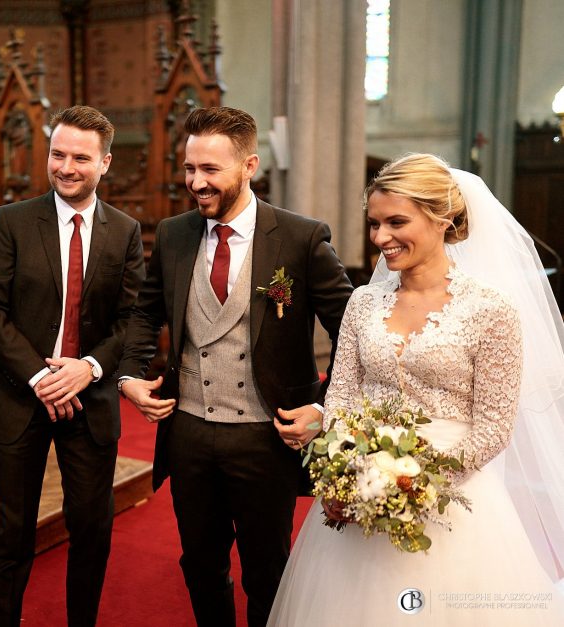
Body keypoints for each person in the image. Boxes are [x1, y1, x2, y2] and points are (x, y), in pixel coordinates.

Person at [267, 153, 564, 626]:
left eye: (396, 222)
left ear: (442, 219)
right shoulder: (363, 303)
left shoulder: (491, 310)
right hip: (359, 492)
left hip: (453, 502)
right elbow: (342, 395)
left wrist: (414, 485)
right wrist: (343, 472)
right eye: (375, 224)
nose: (381, 238)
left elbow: (494, 428)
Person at [117, 106, 353, 627]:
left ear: (249, 166)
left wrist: (323, 405)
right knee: (200, 565)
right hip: (189, 433)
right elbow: (145, 311)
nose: (195, 183)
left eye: (210, 171)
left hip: (267, 435)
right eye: (188, 169)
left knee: (267, 571)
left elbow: (352, 332)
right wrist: (130, 374)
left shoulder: (300, 238)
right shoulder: (175, 234)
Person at [0, 105, 145, 627]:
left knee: (91, 530)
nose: (66, 167)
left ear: (105, 163)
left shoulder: (125, 231)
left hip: (89, 401)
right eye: (57, 154)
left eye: (81, 158)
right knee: (12, 533)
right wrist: (44, 376)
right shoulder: (13, 221)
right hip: (18, 397)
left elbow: (132, 319)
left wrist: (87, 369)